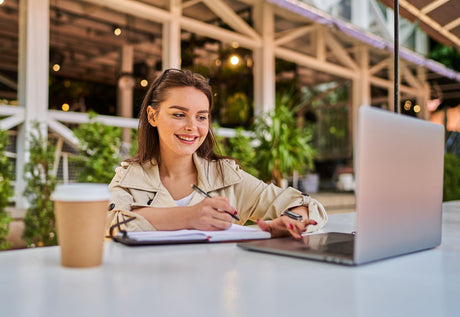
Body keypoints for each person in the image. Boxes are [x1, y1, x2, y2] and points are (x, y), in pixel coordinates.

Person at [107, 68, 327, 239]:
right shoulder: (129, 178)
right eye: (179, 114)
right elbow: (110, 223)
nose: (192, 126)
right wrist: (190, 216)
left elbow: (305, 204)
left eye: (201, 117)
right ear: (152, 116)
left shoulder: (226, 177)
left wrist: (291, 221)